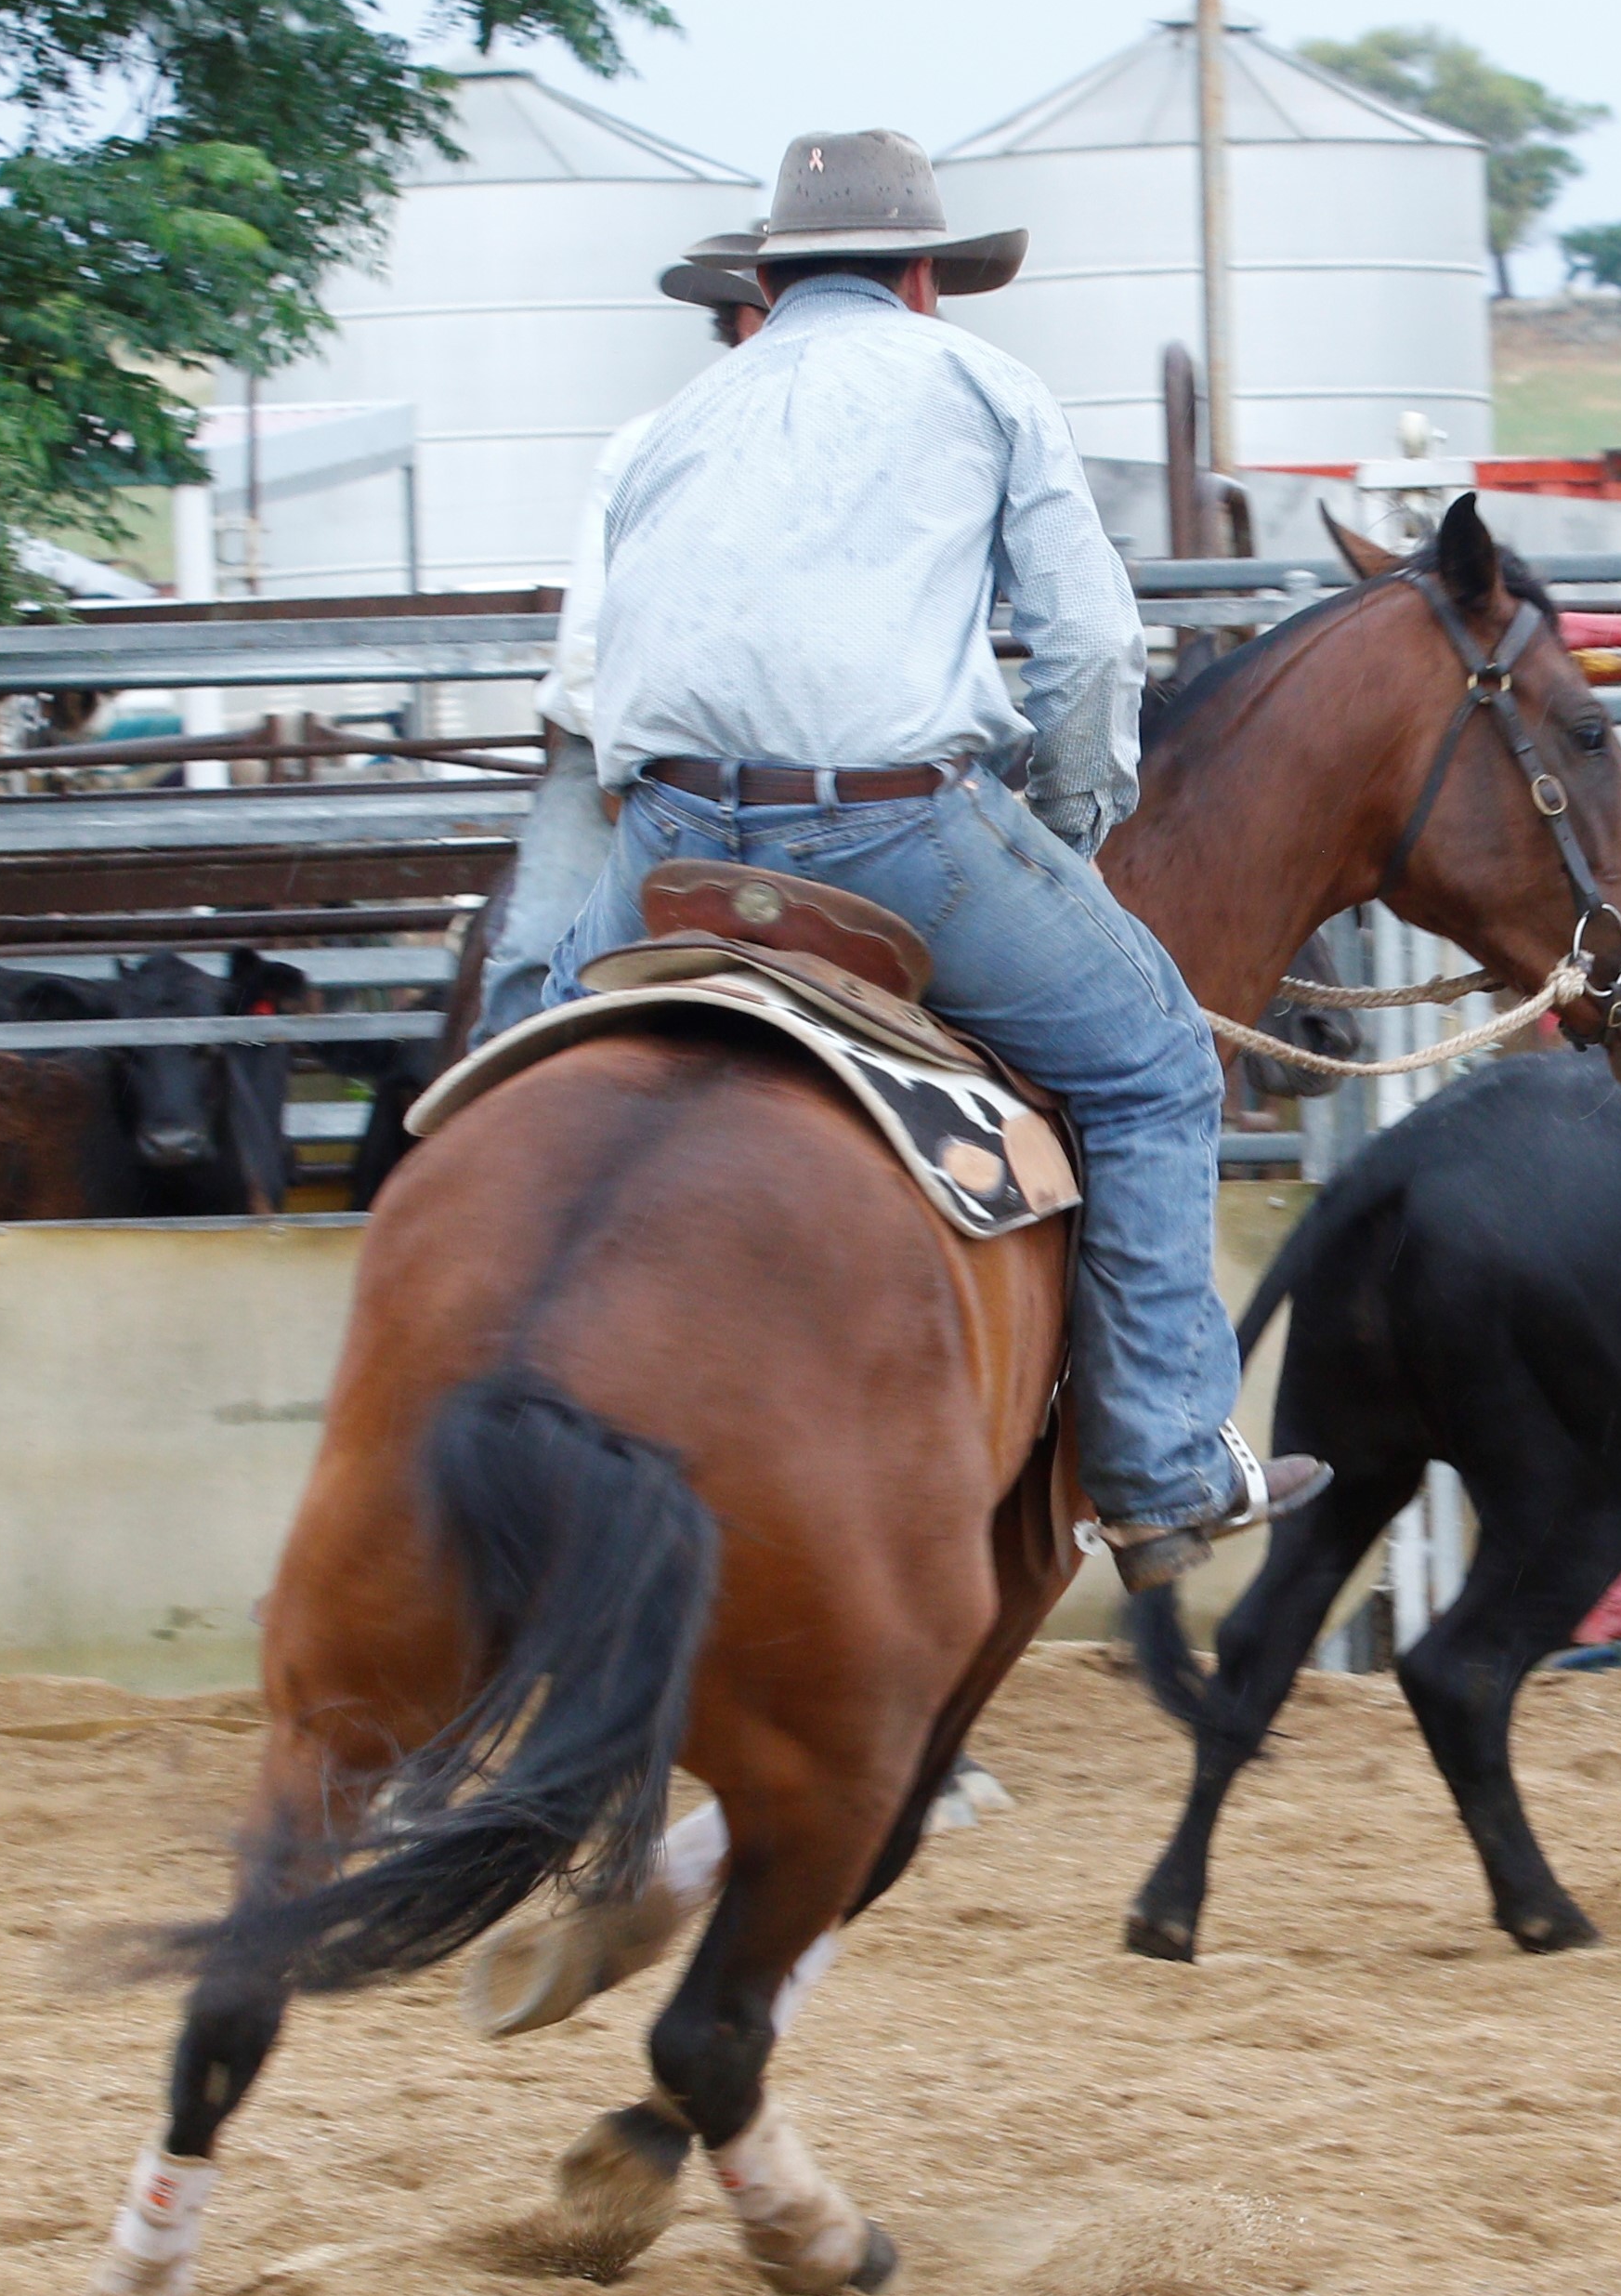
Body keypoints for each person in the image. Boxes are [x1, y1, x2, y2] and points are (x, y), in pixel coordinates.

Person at [544, 128, 1324, 1590]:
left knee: (524, 1073)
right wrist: (1070, 827)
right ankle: (1159, 1468)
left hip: (664, 846)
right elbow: (1091, 646)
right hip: (891, 831)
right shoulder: (979, 384)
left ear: (769, 284)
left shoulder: (672, 423)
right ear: (923, 277)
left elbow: (614, 663)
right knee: (1156, 1064)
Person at [469, 242, 772, 1043]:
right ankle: (504, 1093)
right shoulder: (653, 443)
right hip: (622, 754)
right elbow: (591, 640)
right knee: (539, 954)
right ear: (748, 321)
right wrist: (621, 766)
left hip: (785, 766)